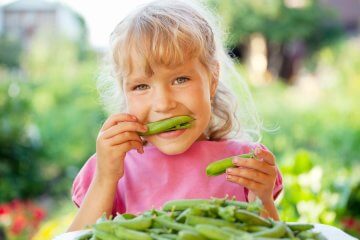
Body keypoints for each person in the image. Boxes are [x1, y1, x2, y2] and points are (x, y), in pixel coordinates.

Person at [67, 0, 283, 231]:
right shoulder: (111, 169)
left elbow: (272, 234)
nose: (163, 104)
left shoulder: (243, 162)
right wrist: (104, 179)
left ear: (212, 79)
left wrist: (262, 198)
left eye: (180, 80)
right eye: (141, 86)